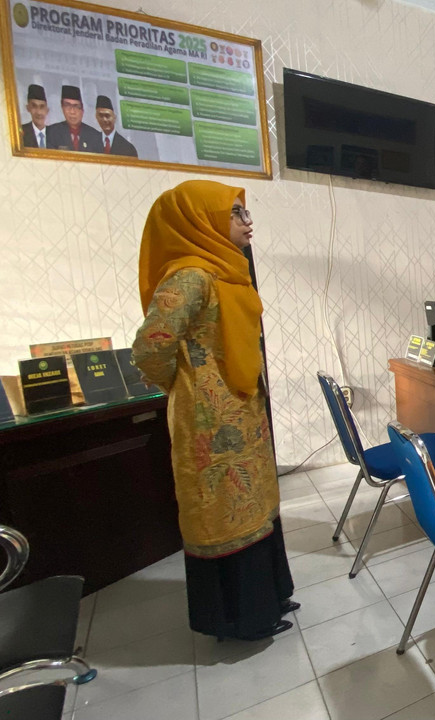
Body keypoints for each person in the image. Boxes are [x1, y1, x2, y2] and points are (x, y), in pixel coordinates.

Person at [132, 180, 296, 641]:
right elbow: (149, 347)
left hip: (243, 411)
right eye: (236, 213)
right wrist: (188, 384)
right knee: (224, 511)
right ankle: (240, 618)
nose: (248, 222)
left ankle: (270, 598)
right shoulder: (191, 277)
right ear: (200, 220)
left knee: (255, 505)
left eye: (245, 212)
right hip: (209, 421)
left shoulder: (227, 271)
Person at [46, 85, 103, 152]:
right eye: (67, 106)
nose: (72, 112)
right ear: (62, 108)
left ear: (82, 110)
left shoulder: (95, 136)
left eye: (76, 106)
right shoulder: (51, 132)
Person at [20, 84, 49, 149]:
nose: (38, 112)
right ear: (28, 108)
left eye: (42, 107)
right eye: (34, 106)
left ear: (47, 110)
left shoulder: (55, 133)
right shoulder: (21, 133)